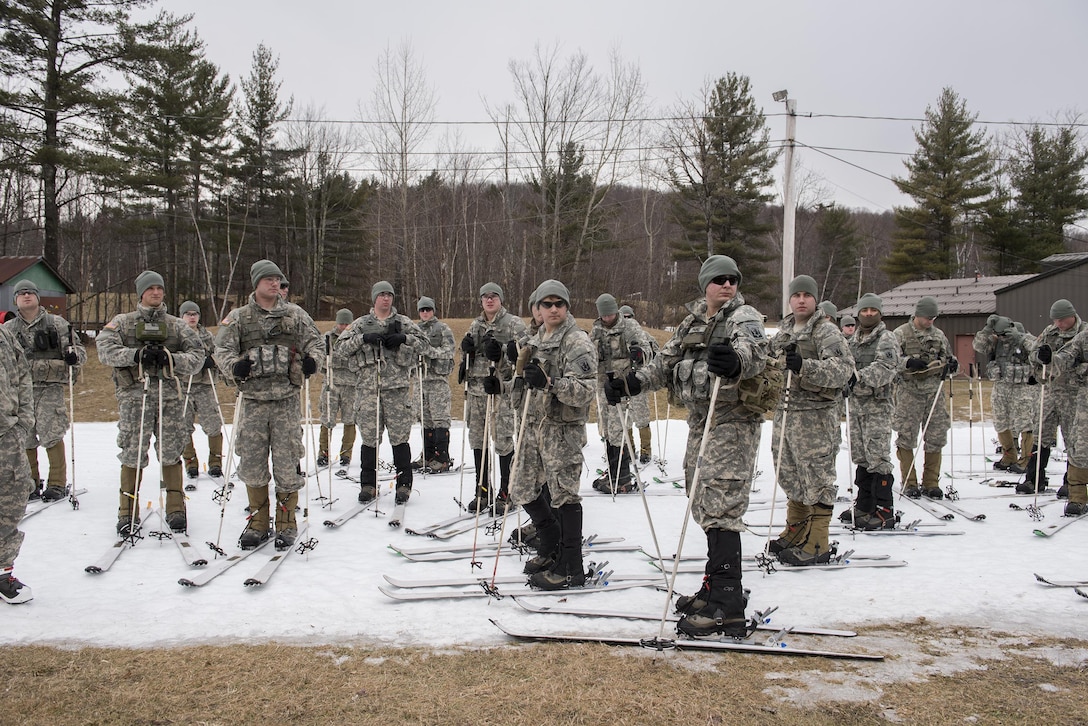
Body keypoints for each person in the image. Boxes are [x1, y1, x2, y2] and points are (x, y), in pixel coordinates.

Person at [608, 256, 768, 634]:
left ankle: (727, 604)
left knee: (722, 501)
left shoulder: (744, 317)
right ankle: (715, 584)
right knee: (701, 497)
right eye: (718, 280)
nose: (726, 285)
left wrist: (736, 361)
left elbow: (754, 353)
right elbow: (665, 364)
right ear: (705, 286)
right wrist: (631, 383)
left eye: (732, 279)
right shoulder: (692, 322)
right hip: (700, 421)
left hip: (733, 421)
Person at [214, 260, 322, 549]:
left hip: (286, 400)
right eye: (269, 279)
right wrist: (234, 366)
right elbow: (221, 349)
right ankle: (258, 521)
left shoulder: (295, 314)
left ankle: (286, 521)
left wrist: (313, 360)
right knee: (252, 460)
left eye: (278, 279)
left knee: (287, 460)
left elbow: (316, 343)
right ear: (256, 283)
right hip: (253, 401)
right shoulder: (238, 318)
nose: (275, 284)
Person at [97, 271, 204, 535]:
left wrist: (170, 358)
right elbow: (104, 350)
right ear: (141, 293)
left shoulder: (177, 325)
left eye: (160, 288)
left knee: (171, 450)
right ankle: (127, 510)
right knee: (132, 452)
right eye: (150, 289)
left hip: (169, 396)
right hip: (135, 398)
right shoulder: (123, 323)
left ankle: (176, 508)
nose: (156, 293)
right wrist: (136, 355)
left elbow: (197, 355)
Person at [510, 279, 597, 590]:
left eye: (559, 303)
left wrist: (550, 383)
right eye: (547, 304)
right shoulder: (535, 339)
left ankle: (571, 564)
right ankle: (550, 541)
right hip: (533, 427)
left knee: (564, 494)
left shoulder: (576, 342)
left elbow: (585, 391)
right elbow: (522, 385)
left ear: (566, 307)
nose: (553, 309)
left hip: (562, 430)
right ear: (538, 308)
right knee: (520, 486)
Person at [767, 275, 854, 565]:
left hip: (816, 419)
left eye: (807, 295)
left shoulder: (826, 331)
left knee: (817, 476)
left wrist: (805, 366)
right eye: (796, 295)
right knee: (789, 473)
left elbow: (843, 371)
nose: (801, 300)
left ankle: (817, 541)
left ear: (815, 299)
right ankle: (797, 528)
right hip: (786, 416)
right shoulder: (784, 331)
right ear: (789, 300)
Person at [333, 281, 426, 505]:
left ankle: (404, 485)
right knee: (369, 438)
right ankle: (368, 484)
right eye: (381, 295)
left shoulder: (403, 322)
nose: (386, 298)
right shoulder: (361, 324)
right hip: (368, 390)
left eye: (389, 295)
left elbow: (425, 344)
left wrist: (404, 338)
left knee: (399, 438)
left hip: (397, 390)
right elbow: (340, 348)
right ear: (374, 298)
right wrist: (363, 338)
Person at [5, 279, 86, 500]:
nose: (26, 296)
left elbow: (78, 350)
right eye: (21, 293)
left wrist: (73, 356)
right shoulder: (8, 329)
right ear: (15, 300)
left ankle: (57, 483)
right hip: (21, 391)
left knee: (52, 433)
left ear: (38, 297)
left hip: (49, 388)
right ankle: (30, 481)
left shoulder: (57, 324)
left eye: (30, 292)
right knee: (25, 435)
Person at [459, 283, 527, 512]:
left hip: (501, 390)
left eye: (494, 296)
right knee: (478, 439)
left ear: (500, 299)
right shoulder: (476, 324)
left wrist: (504, 353)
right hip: (478, 388)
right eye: (485, 297)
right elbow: (470, 353)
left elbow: (525, 355)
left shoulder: (513, 323)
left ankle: (507, 491)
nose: (489, 300)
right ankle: (483, 488)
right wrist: (466, 350)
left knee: (503, 439)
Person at [840, 293, 900, 530]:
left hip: (877, 407)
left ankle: (884, 509)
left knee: (878, 457)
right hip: (855, 407)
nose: (868, 314)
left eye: (873, 310)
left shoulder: (887, 338)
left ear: (879, 312)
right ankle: (864, 504)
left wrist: (858, 377)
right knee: (861, 456)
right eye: (864, 311)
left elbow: (886, 367)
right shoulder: (852, 341)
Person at [892, 296, 957, 499]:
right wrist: (908, 363)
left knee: (936, 435)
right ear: (917, 315)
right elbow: (889, 360)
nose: (930, 321)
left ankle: (931, 482)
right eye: (928, 317)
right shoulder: (900, 334)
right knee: (907, 435)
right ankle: (909, 481)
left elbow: (948, 357)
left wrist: (952, 364)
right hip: (909, 393)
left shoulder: (938, 335)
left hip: (933, 392)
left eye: (933, 318)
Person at [590, 293, 653, 492]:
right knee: (607, 429)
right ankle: (613, 469)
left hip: (624, 384)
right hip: (604, 386)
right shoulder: (597, 329)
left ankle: (622, 476)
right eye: (604, 315)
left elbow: (646, 349)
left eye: (610, 314)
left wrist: (639, 353)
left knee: (619, 428)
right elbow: (589, 352)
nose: (608, 319)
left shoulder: (630, 326)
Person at [1024, 299, 1086, 497]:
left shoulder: (1083, 333)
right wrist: (1040, 358)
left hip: (1075, 393)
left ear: (1072, 316)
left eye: (1061, 320)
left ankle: (1071, 482)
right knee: (1041, 431)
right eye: (1055, 320)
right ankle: (1034, 478)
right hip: (1051, 390)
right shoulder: (1050, 332)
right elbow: (1033, 352)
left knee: (1073, 437)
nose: (1058, 324)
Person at [972, 315, 1034, 476]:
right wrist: (987, 329)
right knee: (1000, 422)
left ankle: (1026, 460)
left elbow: (1038, 350)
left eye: (1004, 335)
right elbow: (978, 345)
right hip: (1000, 387)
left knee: (1024, 423)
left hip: (1020, 388)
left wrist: (1018, 336)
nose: (1002, 338)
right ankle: (1009, 455)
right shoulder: (995, 343)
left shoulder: (1023, 340)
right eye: (999, 335)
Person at [0, 321, 35, 603]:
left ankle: (2, 572)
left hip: (6, 432)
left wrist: (23, 423)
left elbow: (23, 377)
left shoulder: (4, 335)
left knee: (11, 498)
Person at [1037, 326, 1088, 515]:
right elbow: (1065, 358)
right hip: (1085, 399)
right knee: (1080, 446)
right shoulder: (1083, 338)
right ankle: (1078, 498)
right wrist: (1050, 359)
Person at [177, 301, 224, 480]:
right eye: (188, 314)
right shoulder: (177, 334)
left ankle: (215, 462)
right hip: (183, 385)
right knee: (183, 425)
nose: (192, 317)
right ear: (182, 316)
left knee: (213, 424)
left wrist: (212, 360)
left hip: (204, 384)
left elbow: (220, 353)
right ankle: (190, 462)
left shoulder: (207, 336)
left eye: (195, 313)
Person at [416, 297, 456, 472]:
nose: (425, 313)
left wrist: (429, 352)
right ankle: (428, 454)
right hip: (420, 380)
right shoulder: (414, 330)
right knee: (425, 418)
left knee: (440, 418)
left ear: (433, 310)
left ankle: (442, 457)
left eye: (428, 309)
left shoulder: (442, 329)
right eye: (422, 310)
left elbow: (449, 350)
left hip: (437, 380)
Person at [317, 309, 356, 469]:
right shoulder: (327, 338)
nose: (344, 326)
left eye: (347, 324)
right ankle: (323, 452)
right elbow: (320, 359)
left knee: (350, 420)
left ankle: (346, 454)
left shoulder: (355, 339)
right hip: (331, 385)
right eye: (341, 323)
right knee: (327, 419)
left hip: (351, 386)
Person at [619, 304, 658, 464]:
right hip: (621, 382)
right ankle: (628, 448)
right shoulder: (617, 337)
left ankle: (646, 451)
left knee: (641, 417)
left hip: (639, 382)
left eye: (629, 317)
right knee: (623, 418)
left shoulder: (645, 336)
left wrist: (643, 355)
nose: (627, 321)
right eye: (624, 318)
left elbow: (656, 355)